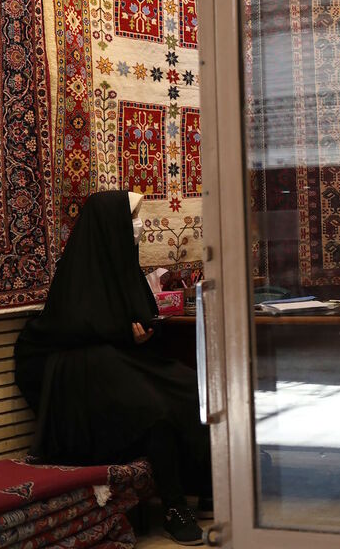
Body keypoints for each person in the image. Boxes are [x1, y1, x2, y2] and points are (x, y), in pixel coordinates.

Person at [14, 191, 210, 546]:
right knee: (155, 411)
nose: (138, 226)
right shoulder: (79, 271)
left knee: (190, 386)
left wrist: (140, 335)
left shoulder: (123, 265)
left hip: (120, 366)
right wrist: (123, 335)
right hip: (82, 377)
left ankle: (205, 483)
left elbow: (137, 319)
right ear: (110, 225)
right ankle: (175, 509)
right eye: (131, 218)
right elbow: (73, 327)